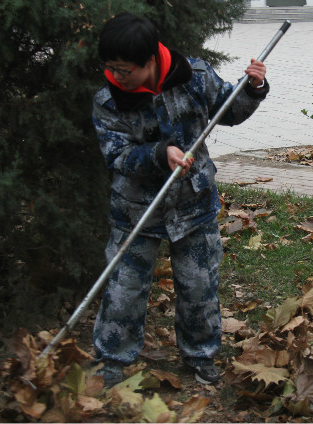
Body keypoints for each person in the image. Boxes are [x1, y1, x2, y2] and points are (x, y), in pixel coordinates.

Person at [91, 11, 268, 386]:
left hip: (194, 204)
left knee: (200, 286)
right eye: (111, 68)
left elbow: (229, 110)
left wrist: (251, 88)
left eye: (125, 69)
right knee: (124, 290)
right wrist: (160, 154)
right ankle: (112, 358)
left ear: (151, 60)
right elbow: (117, 156)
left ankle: (200, 355)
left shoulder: (195, 76)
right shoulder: (109, 101)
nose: (116, 76)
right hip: (136, 211)